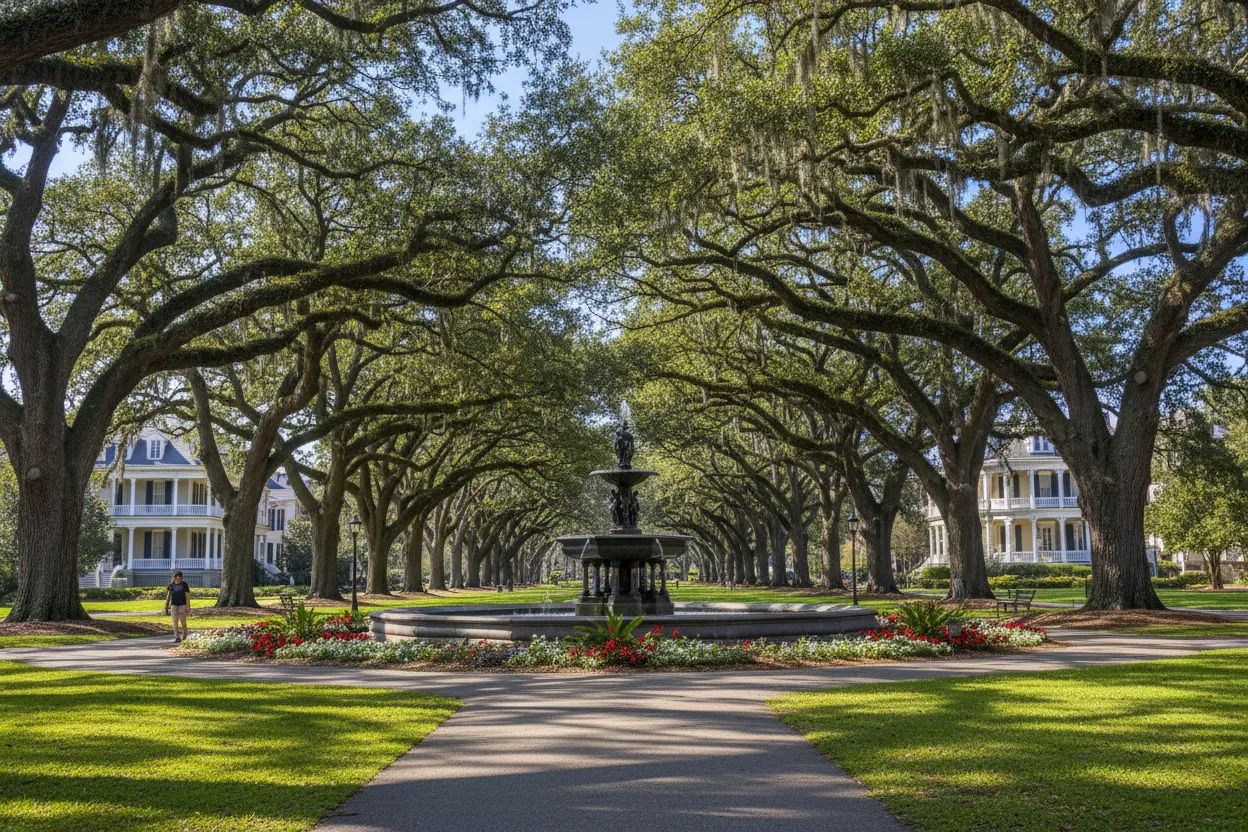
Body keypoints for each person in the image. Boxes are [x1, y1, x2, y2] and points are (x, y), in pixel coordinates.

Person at [164, 571, 191, 643]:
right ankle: (177, 637)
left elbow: (187, 596)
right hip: (174, 605)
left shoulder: (184, 585)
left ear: (181, 578)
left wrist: (188, 606)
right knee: (175, 622)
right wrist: (166, 606)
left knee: (183, 621)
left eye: (179, 578)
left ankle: (185, 635)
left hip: (183, 605)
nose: (178, 580)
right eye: (176, 578)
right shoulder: (171, 585)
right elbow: (168, 596)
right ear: (174, 578)